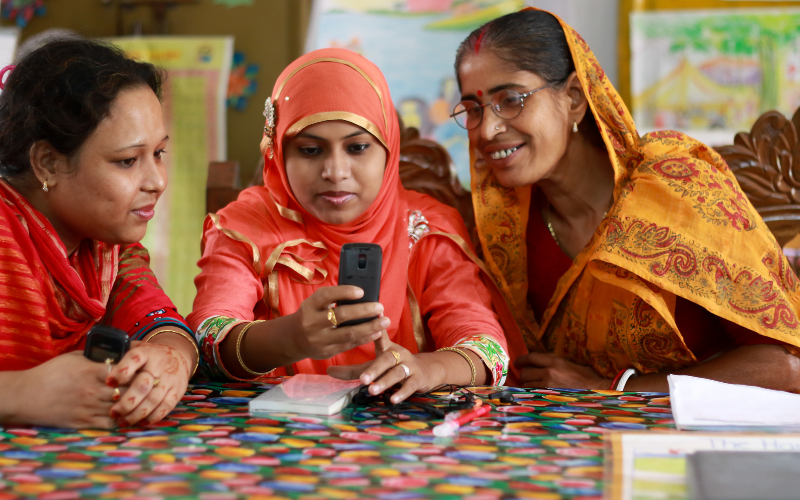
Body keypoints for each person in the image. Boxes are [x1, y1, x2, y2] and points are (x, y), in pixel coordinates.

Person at [453, 8, 800, 392]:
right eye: (473, 109)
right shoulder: (504, 234)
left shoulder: (676, 187)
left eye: (511, 99)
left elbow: (784, 368)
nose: (487, 129)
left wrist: (616, 388)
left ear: (573, 98)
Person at [188, 48, 510, 403]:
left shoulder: (427, 228)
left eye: (357, 148)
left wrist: (426, 369)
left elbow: (488, 350)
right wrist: (290, 338)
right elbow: (207, 338)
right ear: (278, 153)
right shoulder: (245, 226)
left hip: (406, 442)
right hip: (276, 437)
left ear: (389, 149)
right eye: (311, 150)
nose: (336, 172)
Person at [0, 38, 199, 428]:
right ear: (47, 163)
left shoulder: (107, 248)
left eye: (159, 153)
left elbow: (160, 321)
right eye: (127, 161)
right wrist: (19, 393)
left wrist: (168, 361)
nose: (157, 181)